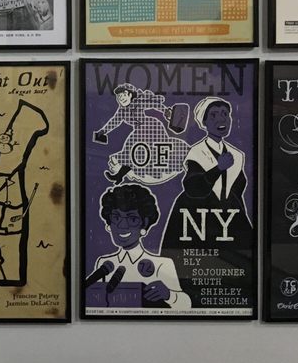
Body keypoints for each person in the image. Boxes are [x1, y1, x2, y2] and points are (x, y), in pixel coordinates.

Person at [160, 97, 253, 305]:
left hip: (228, 219)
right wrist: (218, 168)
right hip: (194, 217)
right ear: (204, 122)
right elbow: (193, 188)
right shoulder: (196, 152)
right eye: (214, 115)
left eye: (225, 114)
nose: (221, 119)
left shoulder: (238, 155)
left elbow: (238, 190)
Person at [90, 182, 191, 309]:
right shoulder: (104, 264)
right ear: (109, 223)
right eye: (116, 217)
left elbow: (186, 305)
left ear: (144, 224)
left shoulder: (162, 264)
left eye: (132, 219)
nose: (122, 226)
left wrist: (169, 295)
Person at [92, 83, 189, 186]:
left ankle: (119, 176)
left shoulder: (138, 102)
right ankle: (119, 176)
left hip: (151, 127)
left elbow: (153, 104)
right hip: (140, 131)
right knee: (132, 154)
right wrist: (103, 131)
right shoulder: (122, 111)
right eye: (118, 97)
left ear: (129, 94)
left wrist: (166, 111)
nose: (121, 99)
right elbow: (114, 122)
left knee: (131, 149)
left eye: (123, 95)